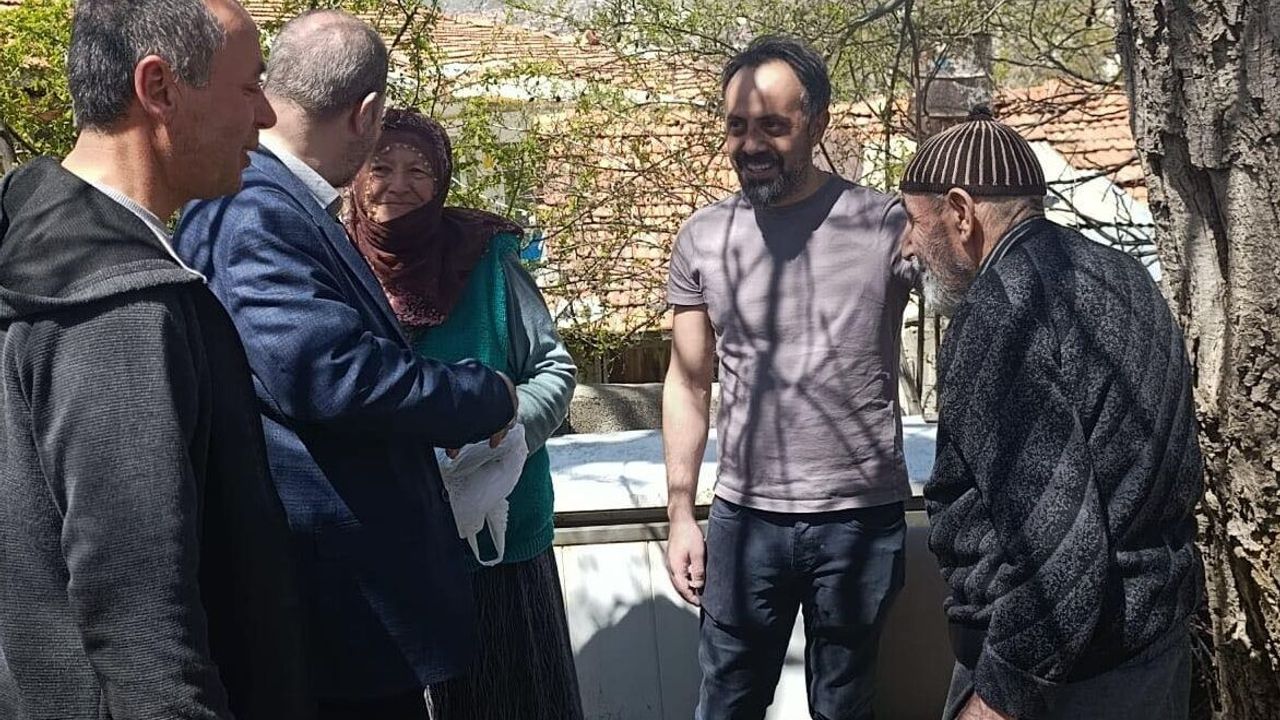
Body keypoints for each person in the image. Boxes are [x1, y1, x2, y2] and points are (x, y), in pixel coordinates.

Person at [174, 11, 518, 720]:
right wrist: (485, 395)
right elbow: (332, 375)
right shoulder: (253, 209)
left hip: (332, 605)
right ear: (366, 113)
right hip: (330, 606)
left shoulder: (268, 200)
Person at [0, 0, 311, 718]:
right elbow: (141, 623)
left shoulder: (32, 232)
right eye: (249, 86)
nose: (265, 116)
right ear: (160, 88)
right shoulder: (120, 309)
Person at [897, 109, 1203, 720]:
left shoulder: (1002, 314)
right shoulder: (1124, 276)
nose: (908, 245)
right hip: (1153, 656)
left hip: (1062, 681)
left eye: (913, 220)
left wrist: (997, 699)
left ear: (960, 213)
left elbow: (1060, 552)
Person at [663, 35, 916, 720]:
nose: (751, 144)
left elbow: (972, 292)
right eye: (737, 125)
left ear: (817, 125)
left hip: (859, 518)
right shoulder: (703, 237)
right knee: (727, 703)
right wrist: (681, 513)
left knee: (845, 706)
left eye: (773, 125)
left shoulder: (885, 225)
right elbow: (688, 383)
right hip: (745, 521)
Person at [345, 108, 582, 720]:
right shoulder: (332, 262)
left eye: (418, 170)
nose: (398, 185)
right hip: (383, 546)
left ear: (442, 180)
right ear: (354, 175)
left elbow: (554, 370)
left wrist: (504, 433)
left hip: (496, 542)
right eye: (381, 167)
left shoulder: (486, 261)